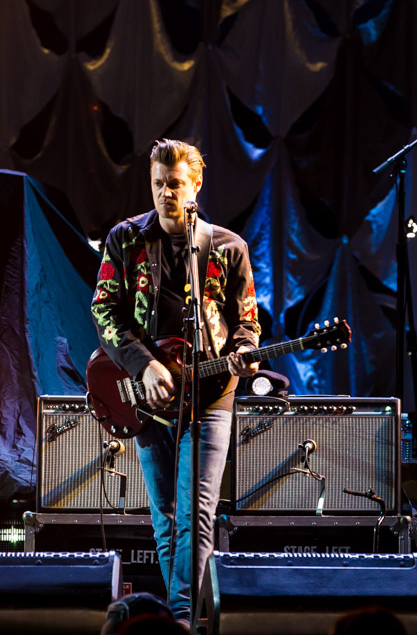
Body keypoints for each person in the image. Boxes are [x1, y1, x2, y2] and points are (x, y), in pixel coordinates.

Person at [91, 138, 261, 627]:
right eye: (158, 184)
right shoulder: (124, 240)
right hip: (145, 397)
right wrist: (143, 364)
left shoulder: (228, 247)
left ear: (196, 185)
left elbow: (246, 322)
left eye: (176, 185)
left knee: (195, 513)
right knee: (165, 515)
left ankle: (185, 620)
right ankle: (180, 614)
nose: (166, 193)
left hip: (210, 396)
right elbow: (103, 310)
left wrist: (245, 351)